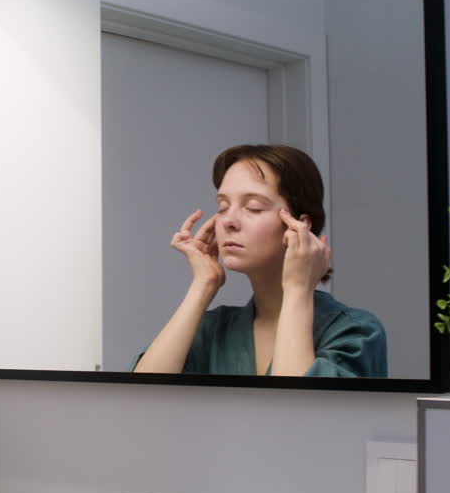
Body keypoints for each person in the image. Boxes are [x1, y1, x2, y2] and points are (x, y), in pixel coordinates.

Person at [132, 144, 387, 377]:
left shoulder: (355, 332)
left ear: (299, 225)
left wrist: (298, 289)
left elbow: (299, 415)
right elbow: (140, 401)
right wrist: (203, 284)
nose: (228, 221)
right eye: (222, 207)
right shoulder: (214, 329)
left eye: (253, 207)